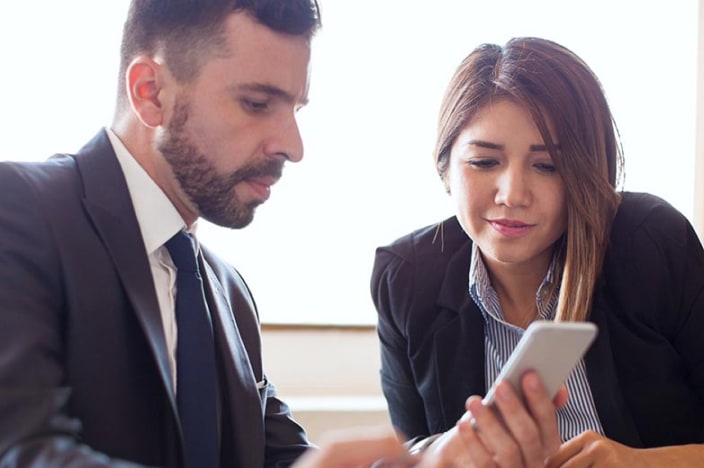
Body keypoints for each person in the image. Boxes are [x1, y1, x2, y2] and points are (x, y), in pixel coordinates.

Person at [0, 0, 327, 466]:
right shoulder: (17, 210)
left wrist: (428, 459)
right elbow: (21, 451)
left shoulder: (228, 291)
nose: (292, 146)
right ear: (151, 93)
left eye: (295, 108)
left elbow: (284, 459)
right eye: (256, 104)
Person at [371, 36, 704, 466]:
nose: (512, 194)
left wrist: (640, 463)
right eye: (484, 162)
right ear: (446, 167)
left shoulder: (651, 243)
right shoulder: (407, 277)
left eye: (547, 166)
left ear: (587, 173)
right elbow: (412, 449)